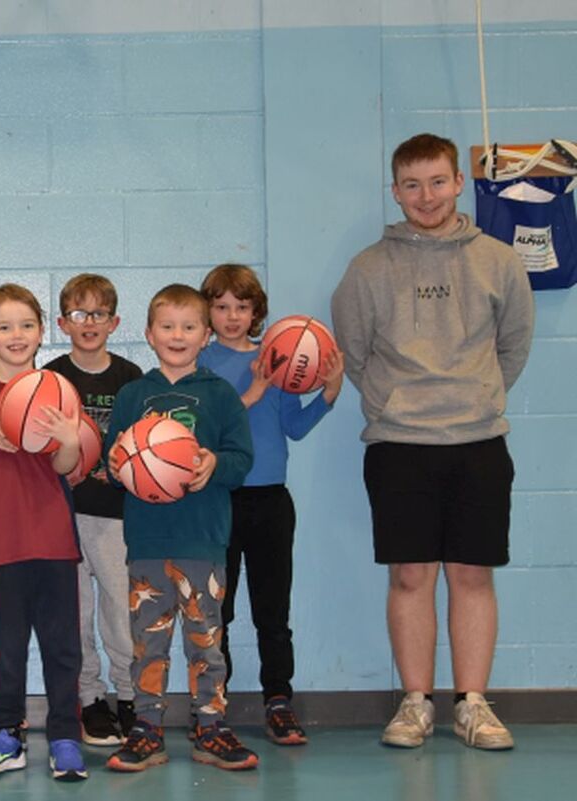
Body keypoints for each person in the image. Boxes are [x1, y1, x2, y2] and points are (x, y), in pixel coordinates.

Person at [331, 133, 534, 751]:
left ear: (457, 184)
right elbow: (354, 353)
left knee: (473, 576)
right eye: (412, 185)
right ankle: (415, 703)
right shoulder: (368, 268)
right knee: (411, 577)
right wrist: (398, 403)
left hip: (477, 441)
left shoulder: (499, 260)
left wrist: (474, 396)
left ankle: (472, 704)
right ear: (395, 191)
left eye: (438, 181)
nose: (426, 196)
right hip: (399, 445)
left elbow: (514, 346)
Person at [104, 283, 258, 773]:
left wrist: (215, 462)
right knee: (147, 644)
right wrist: (117, 463)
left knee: (206, 641)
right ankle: (146, 728)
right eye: (167, 326)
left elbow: (242, 460)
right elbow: (113, 463)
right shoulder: (134, 395)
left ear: (205, 335)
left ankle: (210, 727)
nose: (177, 335)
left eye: (188, 326)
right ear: (149, 334)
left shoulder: (221, 396)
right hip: (147, 541)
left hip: (202, 541)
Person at [0, 284, 87, 782]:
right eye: (4, 326)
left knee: (62, 645)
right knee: (7, 647)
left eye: (27, 325)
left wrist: (69, 439)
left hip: (53, 541)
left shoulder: (59, 393)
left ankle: (66, 736)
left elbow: (69, 467)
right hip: (0, 543)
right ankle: (7, 734)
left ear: (42, 332)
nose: (16, 335)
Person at [198, 264, 343, 745]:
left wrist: (328, 393)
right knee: (219, 611)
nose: (232, 316)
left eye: (241, 307)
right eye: (221, 307)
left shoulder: (281, 358)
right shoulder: (200, 363)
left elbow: (294, 428)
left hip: (271, 501)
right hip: (219, 497)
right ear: (209, 311)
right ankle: (213, 705)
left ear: (257, 312)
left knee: (272, 611)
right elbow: (210, 429)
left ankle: (278, 701)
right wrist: (254, 389)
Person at [41, 273, 142, 745]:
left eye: (98, 314)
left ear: (114, 321)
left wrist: (121, 467)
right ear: (63, 322)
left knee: (121, 612)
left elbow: (144, 447)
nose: (89, 322)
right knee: (76, 616)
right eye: (79, 314)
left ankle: (128, 695)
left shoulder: (130, 379)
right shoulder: (52, 377)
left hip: (118, 517)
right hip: (65, 516)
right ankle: (89, 700)